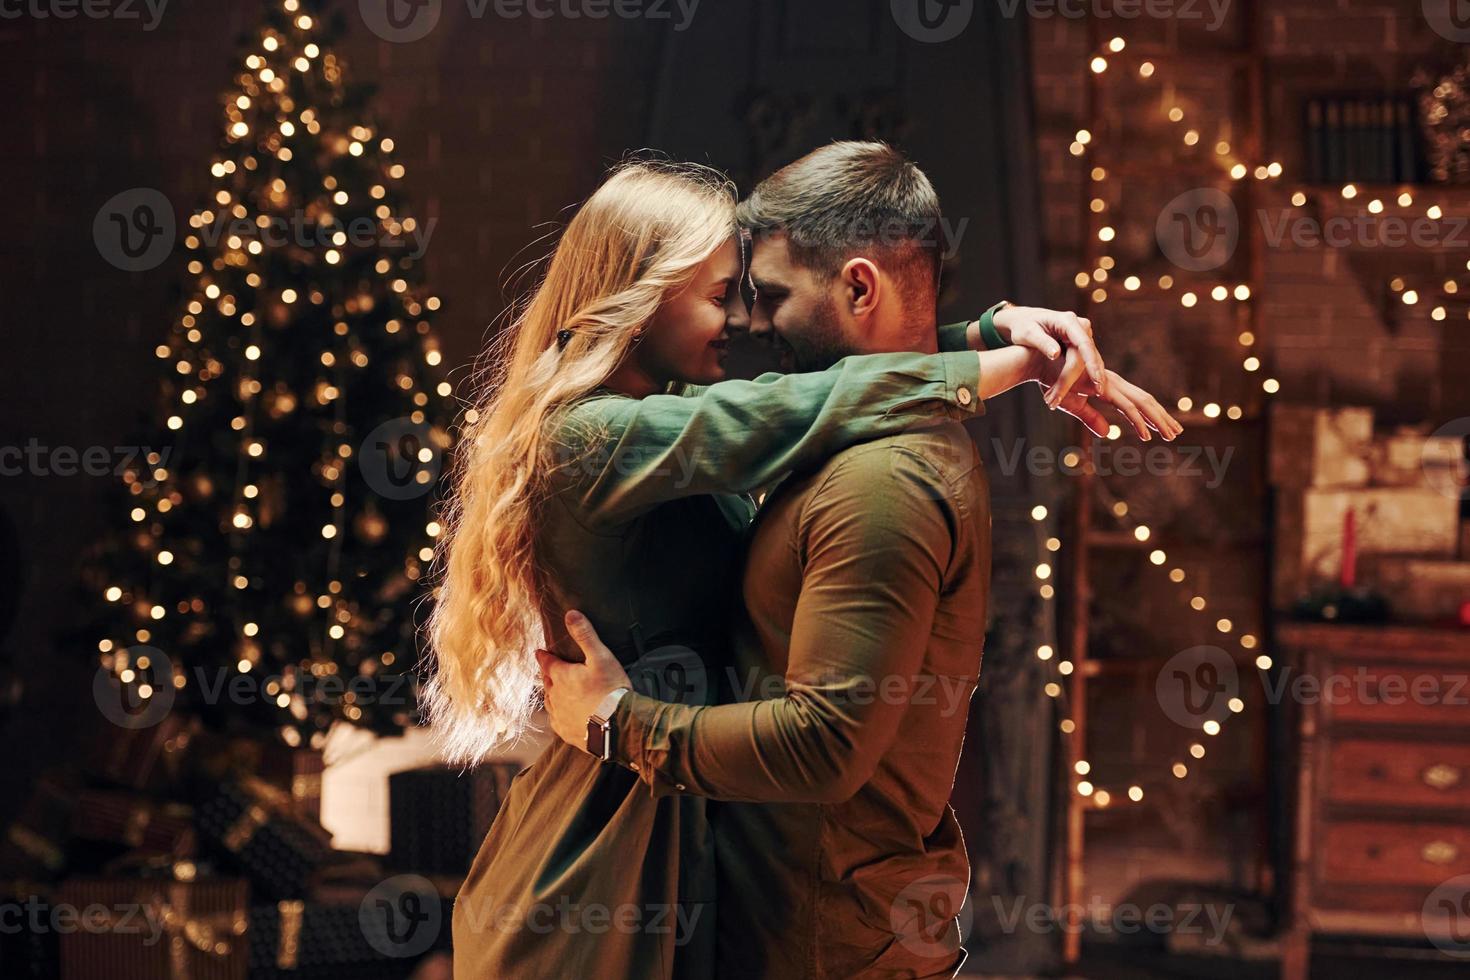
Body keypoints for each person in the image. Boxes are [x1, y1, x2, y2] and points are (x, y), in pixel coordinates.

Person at [434, 156, 1174, 979]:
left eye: (755, 296)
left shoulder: (671, 418)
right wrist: (1007, 362)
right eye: (724, 296)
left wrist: (983, 339)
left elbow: (799, 407)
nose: (746, 322)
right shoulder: (592, 437)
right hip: (617, 828)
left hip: (666, 802)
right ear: (640, 299)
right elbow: (796, 406)